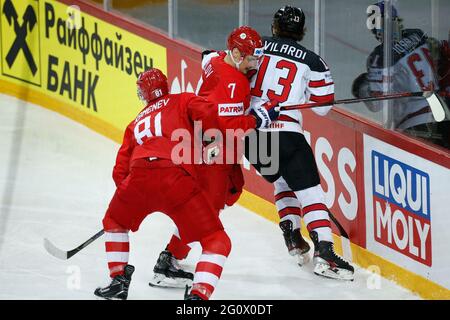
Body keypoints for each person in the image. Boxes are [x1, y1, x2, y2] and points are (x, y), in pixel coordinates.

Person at [149, 26, 280, 288]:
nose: (255, 64)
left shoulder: (216, 60)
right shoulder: (232, 83)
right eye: (252, 58)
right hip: (212, 148)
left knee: (227, 193)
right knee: (207, 208)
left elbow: (208, 56)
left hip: (211, 146)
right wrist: (258, 117)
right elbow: (226, 125)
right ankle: (169, 259)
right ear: (235, 53)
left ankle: (173, 254)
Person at [94, 68, 234, 300]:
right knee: (216, 240)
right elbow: (207, 110)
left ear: (144, 94)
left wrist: (127, 202)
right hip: (176, 178)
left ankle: (118, 281)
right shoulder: (183, 99)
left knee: (114, 221)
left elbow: (120, 171)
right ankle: (198, 296)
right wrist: (211, 140)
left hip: (138, 179)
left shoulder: (135, 122)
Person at [244, 5, 354, 280]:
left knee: (282, 181)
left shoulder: (254, 46)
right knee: (311, 192)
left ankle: (292, 234)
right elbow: (322, 108)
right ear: (302, 31)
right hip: (287, 135)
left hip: (253, 135)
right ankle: (325, 253)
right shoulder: (314, 61)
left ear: (274, 26)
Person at [352, 2, 450, 148]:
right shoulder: (418, 35)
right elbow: (439, 55)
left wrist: (361, 87)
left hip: (414, 123)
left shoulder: (380, 57)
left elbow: (377, 102)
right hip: (442, 110)